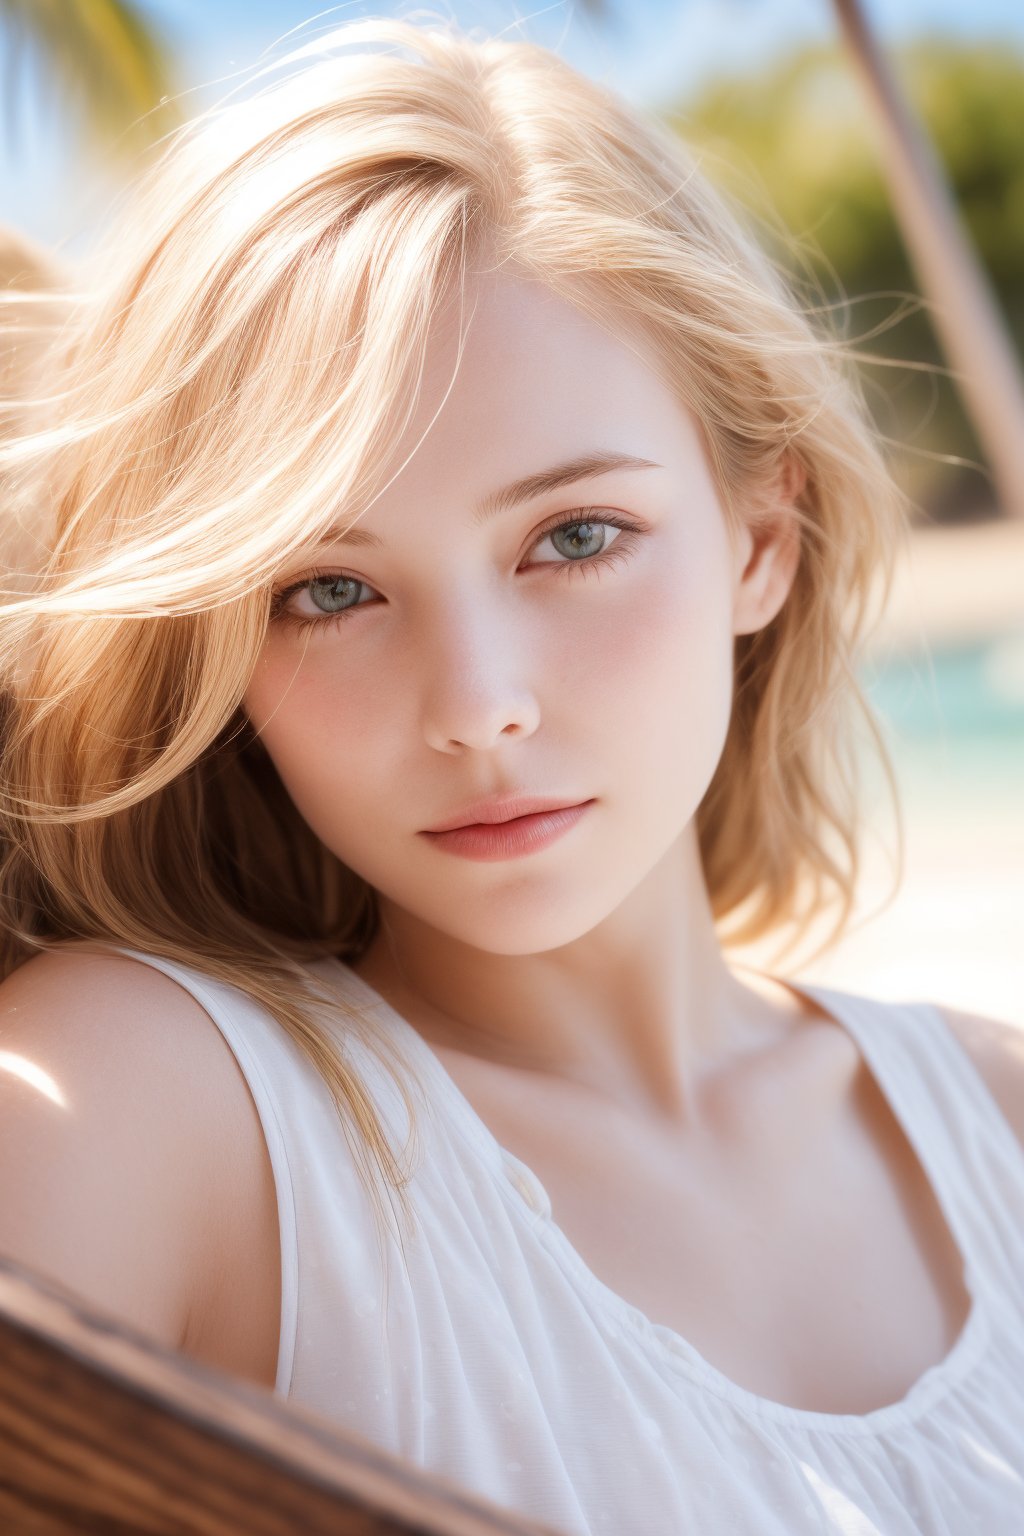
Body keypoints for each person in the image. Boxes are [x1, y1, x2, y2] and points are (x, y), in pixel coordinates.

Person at [1, 16, 1022, 1533]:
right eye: (325, 590)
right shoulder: (149, 1106)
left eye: (575, 538)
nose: (477, 709)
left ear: (761, 538)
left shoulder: (1003, 1118)